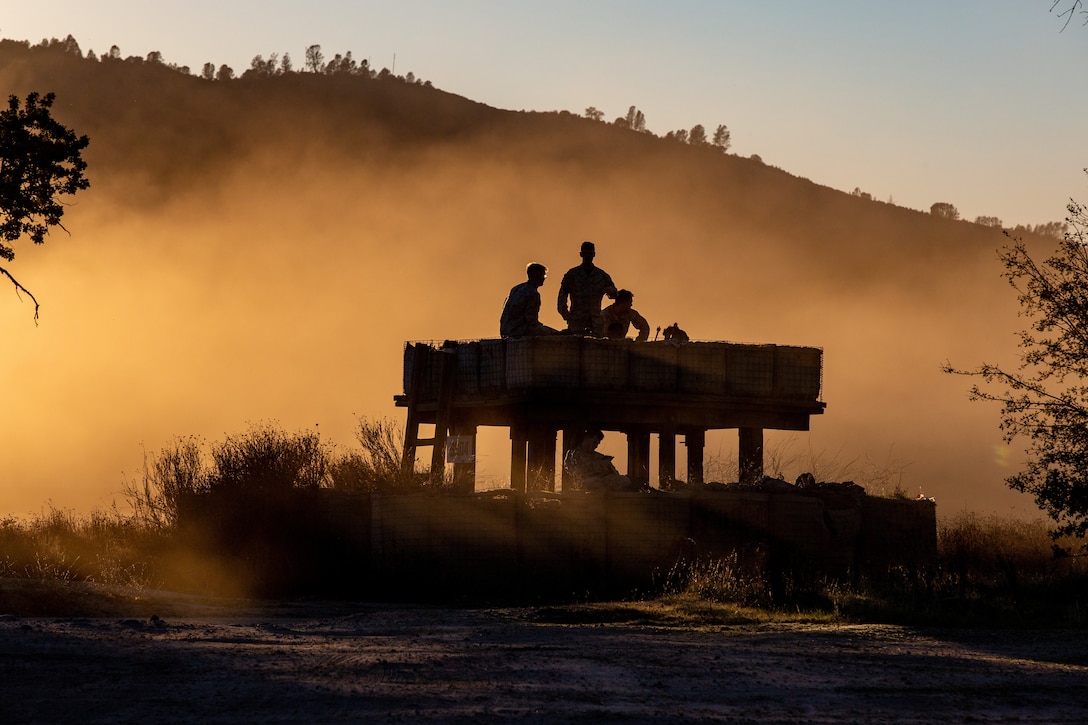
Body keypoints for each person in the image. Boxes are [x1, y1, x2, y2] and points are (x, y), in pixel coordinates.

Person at [557, 241, 617, 336]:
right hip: (577, 322)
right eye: (585, 253)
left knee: (596, 349)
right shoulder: (572, 275)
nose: (588, 256)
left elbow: (614, 294)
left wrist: (610, 290)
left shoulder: (601, 275)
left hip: (596, 323)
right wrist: (567, 316)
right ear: (581, 254)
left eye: (590, 253)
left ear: (594, 254)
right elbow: (562, 297)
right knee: (574, 349)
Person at [562, 429, 644, 492]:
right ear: (587, 438)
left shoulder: (599, 456)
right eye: (594, 442)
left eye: (597, 444)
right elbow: (576, 471)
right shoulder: (572, 454)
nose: (596, 446)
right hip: (584, 485)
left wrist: (608, 469)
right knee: (597, 482)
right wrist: (599, 466)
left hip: (604, 482)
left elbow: (615, 473)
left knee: (622, 480)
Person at [500, 262, 559, 338]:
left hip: (506, 330)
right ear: (536, 276)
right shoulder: (532, 293)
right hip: (519, 331)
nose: (544, 278)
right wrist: (553, 332)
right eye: (543, 275)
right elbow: (531, 321)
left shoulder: (516, 289)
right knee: (558, 335)